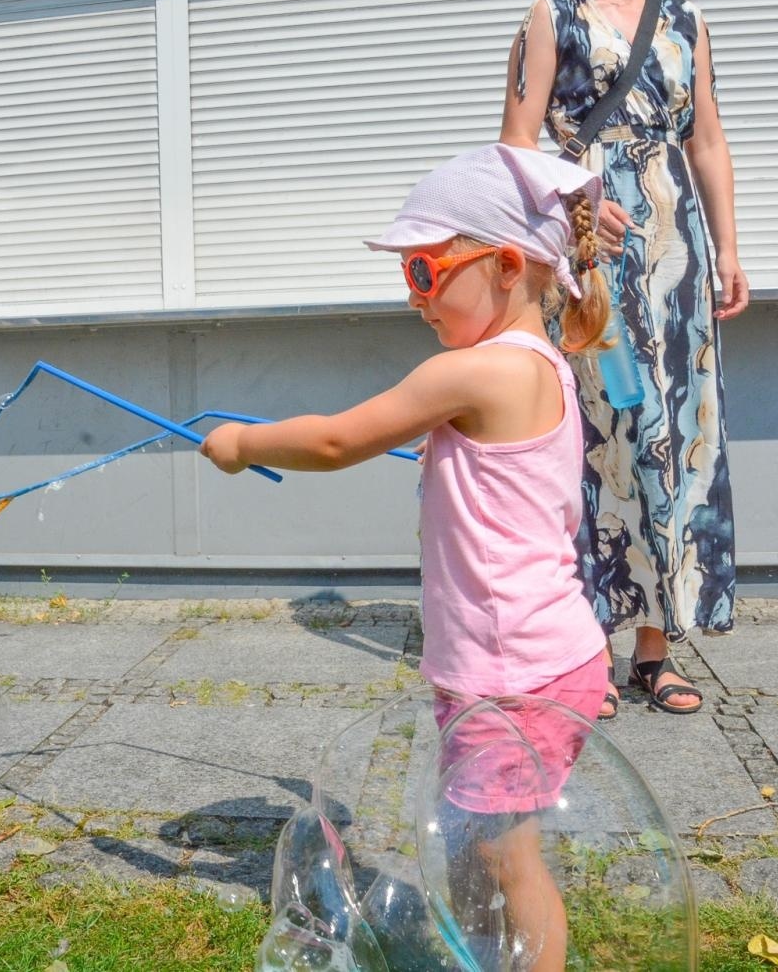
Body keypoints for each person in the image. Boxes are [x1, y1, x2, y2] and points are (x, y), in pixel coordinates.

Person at [202, 144, 611, 971]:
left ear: (501, 264)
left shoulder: (476, 372)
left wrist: (243, 442)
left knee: (504, 858)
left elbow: (334, 437)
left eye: (425, 270)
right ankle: (489, 956)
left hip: (513, 669)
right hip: (523, 657)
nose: (412, 296)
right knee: (477, 848)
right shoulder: (539, 368)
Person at [499, 0, 748, 717]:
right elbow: (516, 142)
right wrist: (576, 202)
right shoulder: (552, 15)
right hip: (591, 262)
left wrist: (731, 252)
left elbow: (705, 139)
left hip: (677, 261)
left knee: (677, 435)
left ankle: (657, 649)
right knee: (597, 442)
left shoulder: (687, 21)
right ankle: (587, 650)